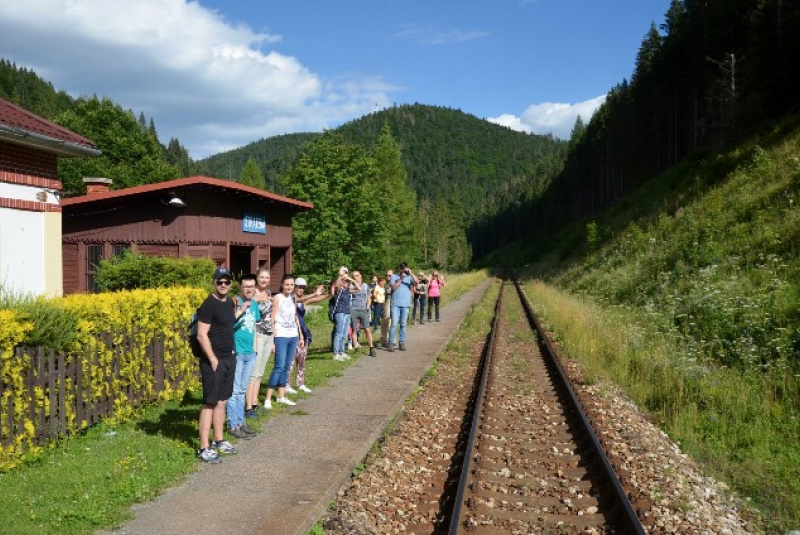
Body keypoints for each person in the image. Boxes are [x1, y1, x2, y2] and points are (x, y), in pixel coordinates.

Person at [194, 267, 238, 463]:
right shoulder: (208, 304)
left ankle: (219, 440)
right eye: (219, 282)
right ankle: (204, 447)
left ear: (230, 283)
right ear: (214, 282)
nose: (223, 285)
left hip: (229, 357)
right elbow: (201, 335)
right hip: (214, 359)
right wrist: (212, 359)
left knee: (222, 401)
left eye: (226, 281)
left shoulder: (229, 302)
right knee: (210, 402)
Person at [263, 274, 304, 409]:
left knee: (287, 366)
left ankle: (281, 396)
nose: (289, 287)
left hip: (293, 335)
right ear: (281, 285)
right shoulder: (277, 298)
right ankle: (268, 398)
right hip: (281, 335)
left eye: (292, 285)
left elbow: (295, 317)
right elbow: (272, 318)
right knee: (279, 366)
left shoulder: (293, 297)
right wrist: (273, 340)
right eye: (287, 284)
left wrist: (300, 335)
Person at [227, 273, 260, 439]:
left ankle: (241, 423)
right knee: (234, 391)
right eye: (246, 286)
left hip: (249, 352)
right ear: (240, 287)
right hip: (237, 351)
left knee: (242, 390)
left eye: (252, 287)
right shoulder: (234, 302)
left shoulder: (254, 304)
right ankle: (233, 425)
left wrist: (254, 350)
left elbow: (254, 326)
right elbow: (227, 321)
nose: (249, 289)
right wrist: (241, 310)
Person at [285, 277, 327, 394]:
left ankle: (301, 383)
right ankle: (286, 384)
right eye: (299, 287)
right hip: (293, 332)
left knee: (302, 360)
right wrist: (314, 293)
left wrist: (331, 295)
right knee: (291, 361)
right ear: (294, 287)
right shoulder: (290, 299)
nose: (301, 290)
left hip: (303, 331)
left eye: (303, 288)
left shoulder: (301, 301)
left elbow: (316, 300)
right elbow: (304, 299)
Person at [245, 267, 273, 417]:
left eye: (267, 278)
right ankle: (248, 406)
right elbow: (247, 305)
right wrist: (257, 299)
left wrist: (273, 335)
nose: (264, 280)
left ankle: (255, 402)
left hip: (268, 334)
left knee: (260, 372)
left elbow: (271, 315)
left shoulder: (268, 293)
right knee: (253, 373)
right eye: (262, 277)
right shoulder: (253, 293)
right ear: (257, 279)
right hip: (257, 334)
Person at [387, 262, 417, 352]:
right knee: (394, 324)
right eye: (402, 268)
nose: (404, 270)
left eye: (405, 268)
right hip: (395, 304)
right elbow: (393, 288)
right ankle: (391, 343)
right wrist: (401, 278)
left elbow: (417, 282)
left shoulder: (409, 278)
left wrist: (411, 273)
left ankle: (402, 342)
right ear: (399, 269)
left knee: (403, 324)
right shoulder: (394, 277)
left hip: (405, 304)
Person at [330, 266, 358, 361]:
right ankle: (336, 353)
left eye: (347, 282)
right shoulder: (339, 290)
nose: (346, 283)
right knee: (339, 333)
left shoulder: (348, 291)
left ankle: (341, 352)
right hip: (339, 313)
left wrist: (352, 280)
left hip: (347, 313)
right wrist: (341, 275)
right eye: (345, 281)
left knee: (344, 334)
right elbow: (337, 284)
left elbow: (359, 289)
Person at [349, 270, 377, 357]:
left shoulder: (366, 286)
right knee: (354, 329)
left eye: (356, 275)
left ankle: (371, 348)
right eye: (353, 276)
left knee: (367, 329)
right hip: (353, 309)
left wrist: (368, 307)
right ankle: (356, 347)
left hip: (363, 309)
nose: (355, 277)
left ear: (360, 276)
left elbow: (369, 298)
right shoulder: (351, 286)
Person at [379, 269, 393, 348]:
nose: (388, 277)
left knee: (389, 321)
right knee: (385, 320)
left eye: (390, 275)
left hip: (391, 301)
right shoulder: (388, 283)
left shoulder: (393, 283)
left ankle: (390, 339)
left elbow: (388, 291)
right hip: (387, 301)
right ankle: (384, 339)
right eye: (387, 275)